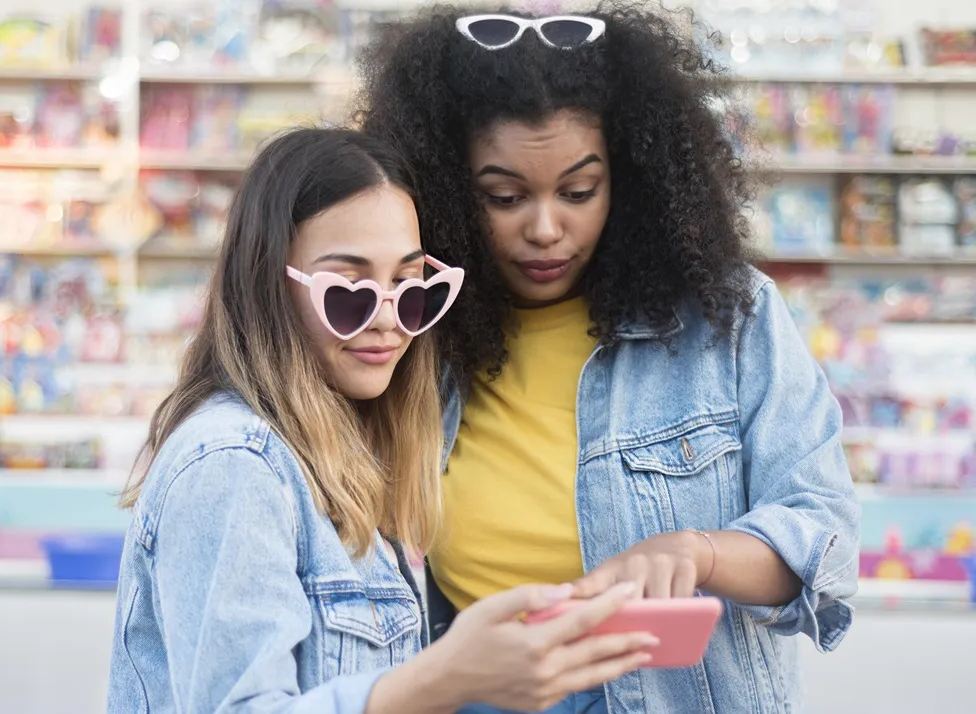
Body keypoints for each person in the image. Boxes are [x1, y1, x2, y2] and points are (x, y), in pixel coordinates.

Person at [357, 4, 861, 713]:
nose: (544, 228)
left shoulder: (728, 318)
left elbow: (825, 536)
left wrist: (699, 552)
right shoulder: (412, 332)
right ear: (444, 190)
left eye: (578, 192)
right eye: (503, 197)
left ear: (630, 178)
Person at [105, 127, 659, 714]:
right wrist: (444, 680)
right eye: (349, 291)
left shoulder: (347, 458)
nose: (389, 320)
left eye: (409, 286)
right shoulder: (234, 465)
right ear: (267, 283)